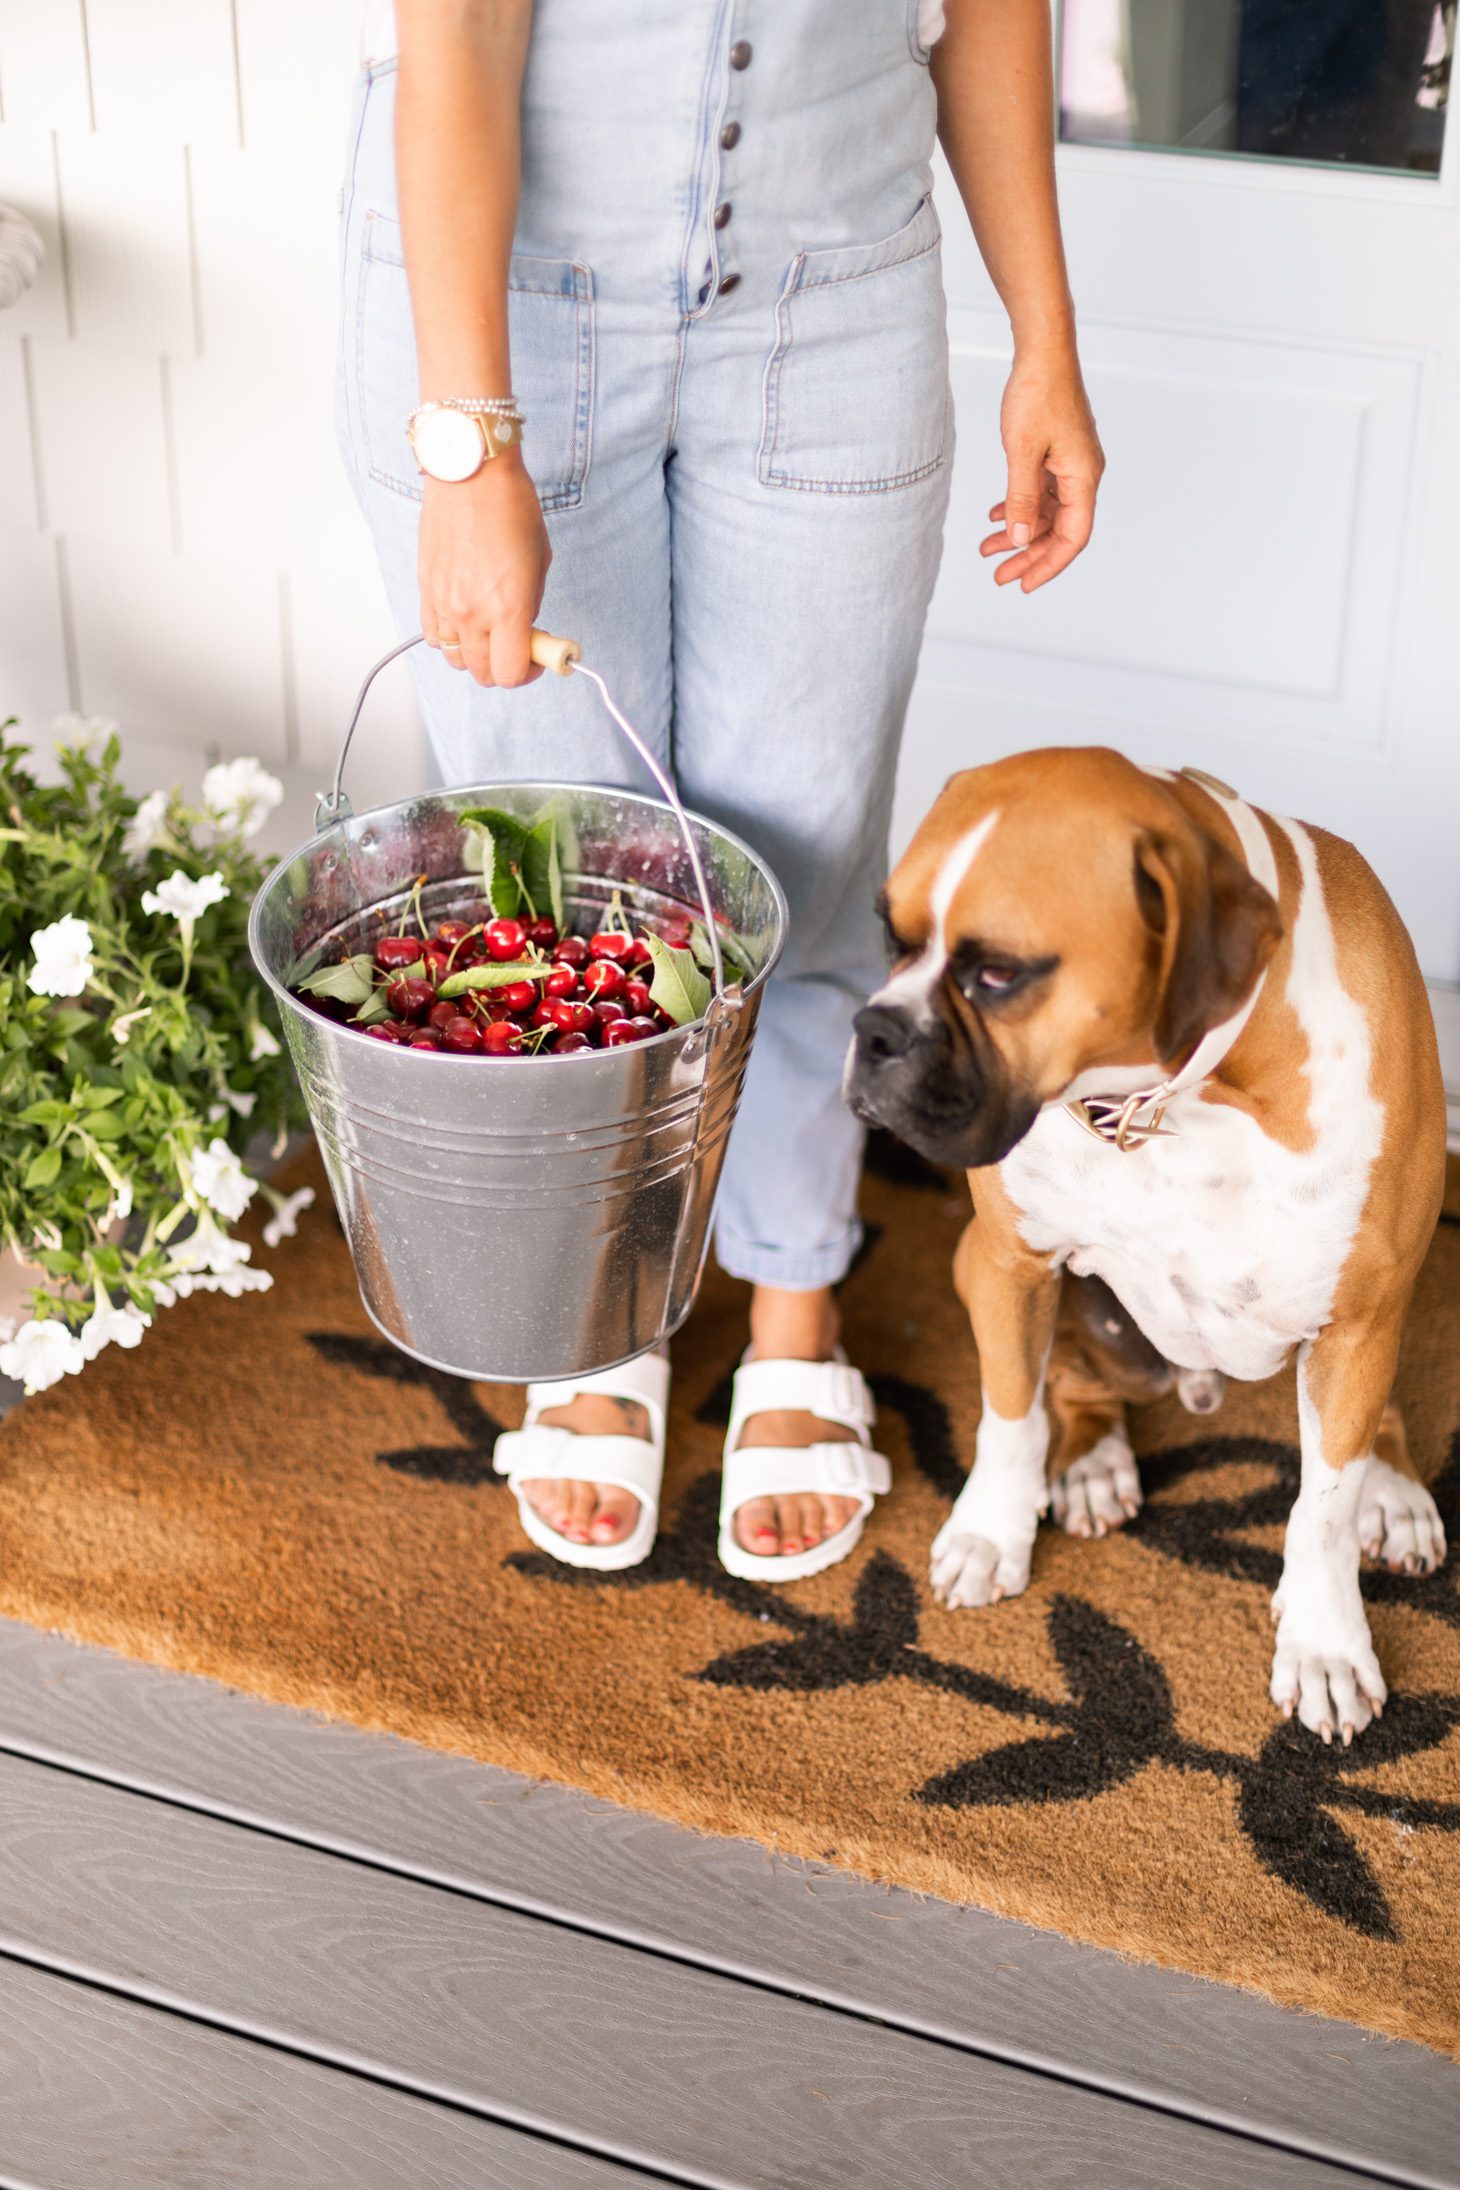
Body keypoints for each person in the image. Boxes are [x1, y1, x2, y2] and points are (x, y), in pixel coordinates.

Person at [339, 0, 1103, 1580]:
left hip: (839, 310)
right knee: (560, 879)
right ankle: (599, 1313)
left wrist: (1045, 337)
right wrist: (471, 440)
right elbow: (463, 28)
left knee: (807, 858)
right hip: (511, 321)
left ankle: (791, 1297)